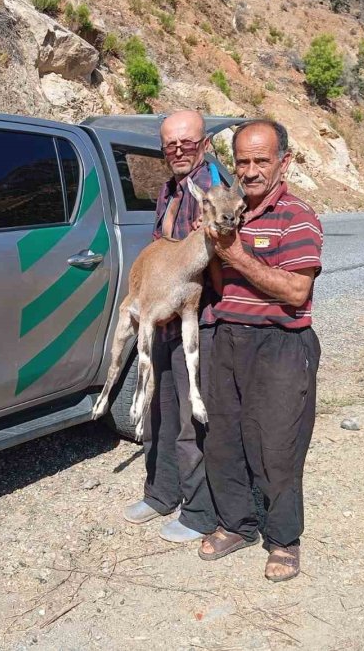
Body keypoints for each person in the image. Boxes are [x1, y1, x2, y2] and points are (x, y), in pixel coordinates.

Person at [199, 119, 323, 582]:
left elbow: (295, 292)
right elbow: (220, 285)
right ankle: (237, 524)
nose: (250, 171)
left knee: (278, 444)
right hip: (230, 336)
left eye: (261, 160)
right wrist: (214, 251)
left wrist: (234, 255)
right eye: (243, 161)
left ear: (283, 162)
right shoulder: (230, 212)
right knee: (223, 438)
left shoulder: (298, 217)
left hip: (280, 344)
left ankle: (284, 539)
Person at [122, 110, 219, 543]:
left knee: (189, 418)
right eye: (170, 145)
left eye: (187, 143)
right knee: (155, 407)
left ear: (205, 144)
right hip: (160, 319)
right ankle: (161, 493)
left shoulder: (217, 189)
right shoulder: (170, 190)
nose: (178, 151)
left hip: (197, 320)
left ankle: (199, 512)